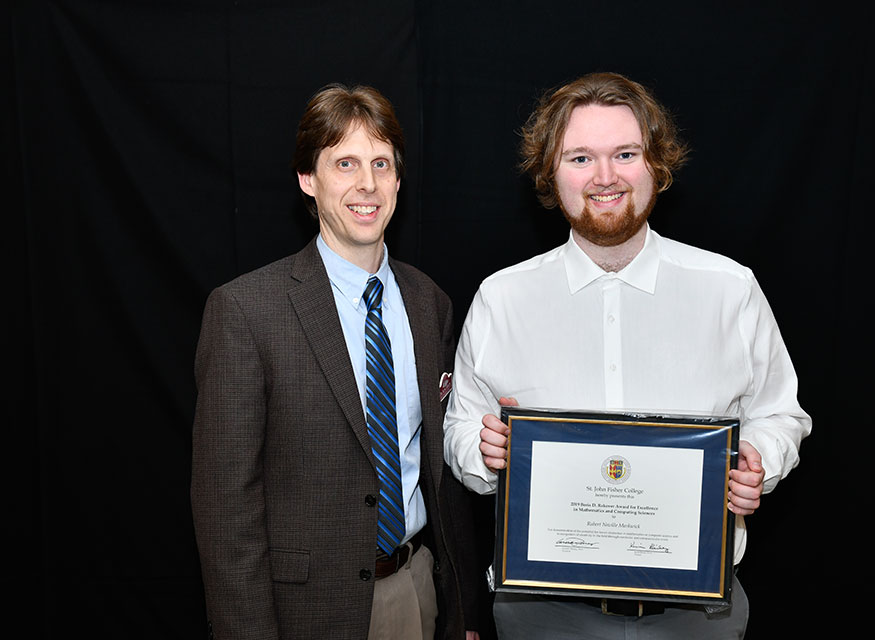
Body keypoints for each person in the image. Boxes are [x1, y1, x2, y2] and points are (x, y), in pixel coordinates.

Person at [443, 71, 812, 639]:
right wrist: (484, 450)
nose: (606, 177)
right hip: (542, 614)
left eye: (626, 153)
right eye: (580, 158)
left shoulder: (729, 289)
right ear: (551, 173)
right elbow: (459, 430)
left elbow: (782, 413)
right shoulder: (502, 299)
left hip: (697, 617)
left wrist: (754, 462)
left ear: (656, 165)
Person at [191, 84, 480, 640]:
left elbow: (439, 474)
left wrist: (462, 606)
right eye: (344, 163)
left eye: (380, 163)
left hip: (417, 591)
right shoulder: (245, 311)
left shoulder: (429, 304)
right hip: (304, 612)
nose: (366, 184)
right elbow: (226, 507)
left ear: (398, 178)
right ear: (308, 179)